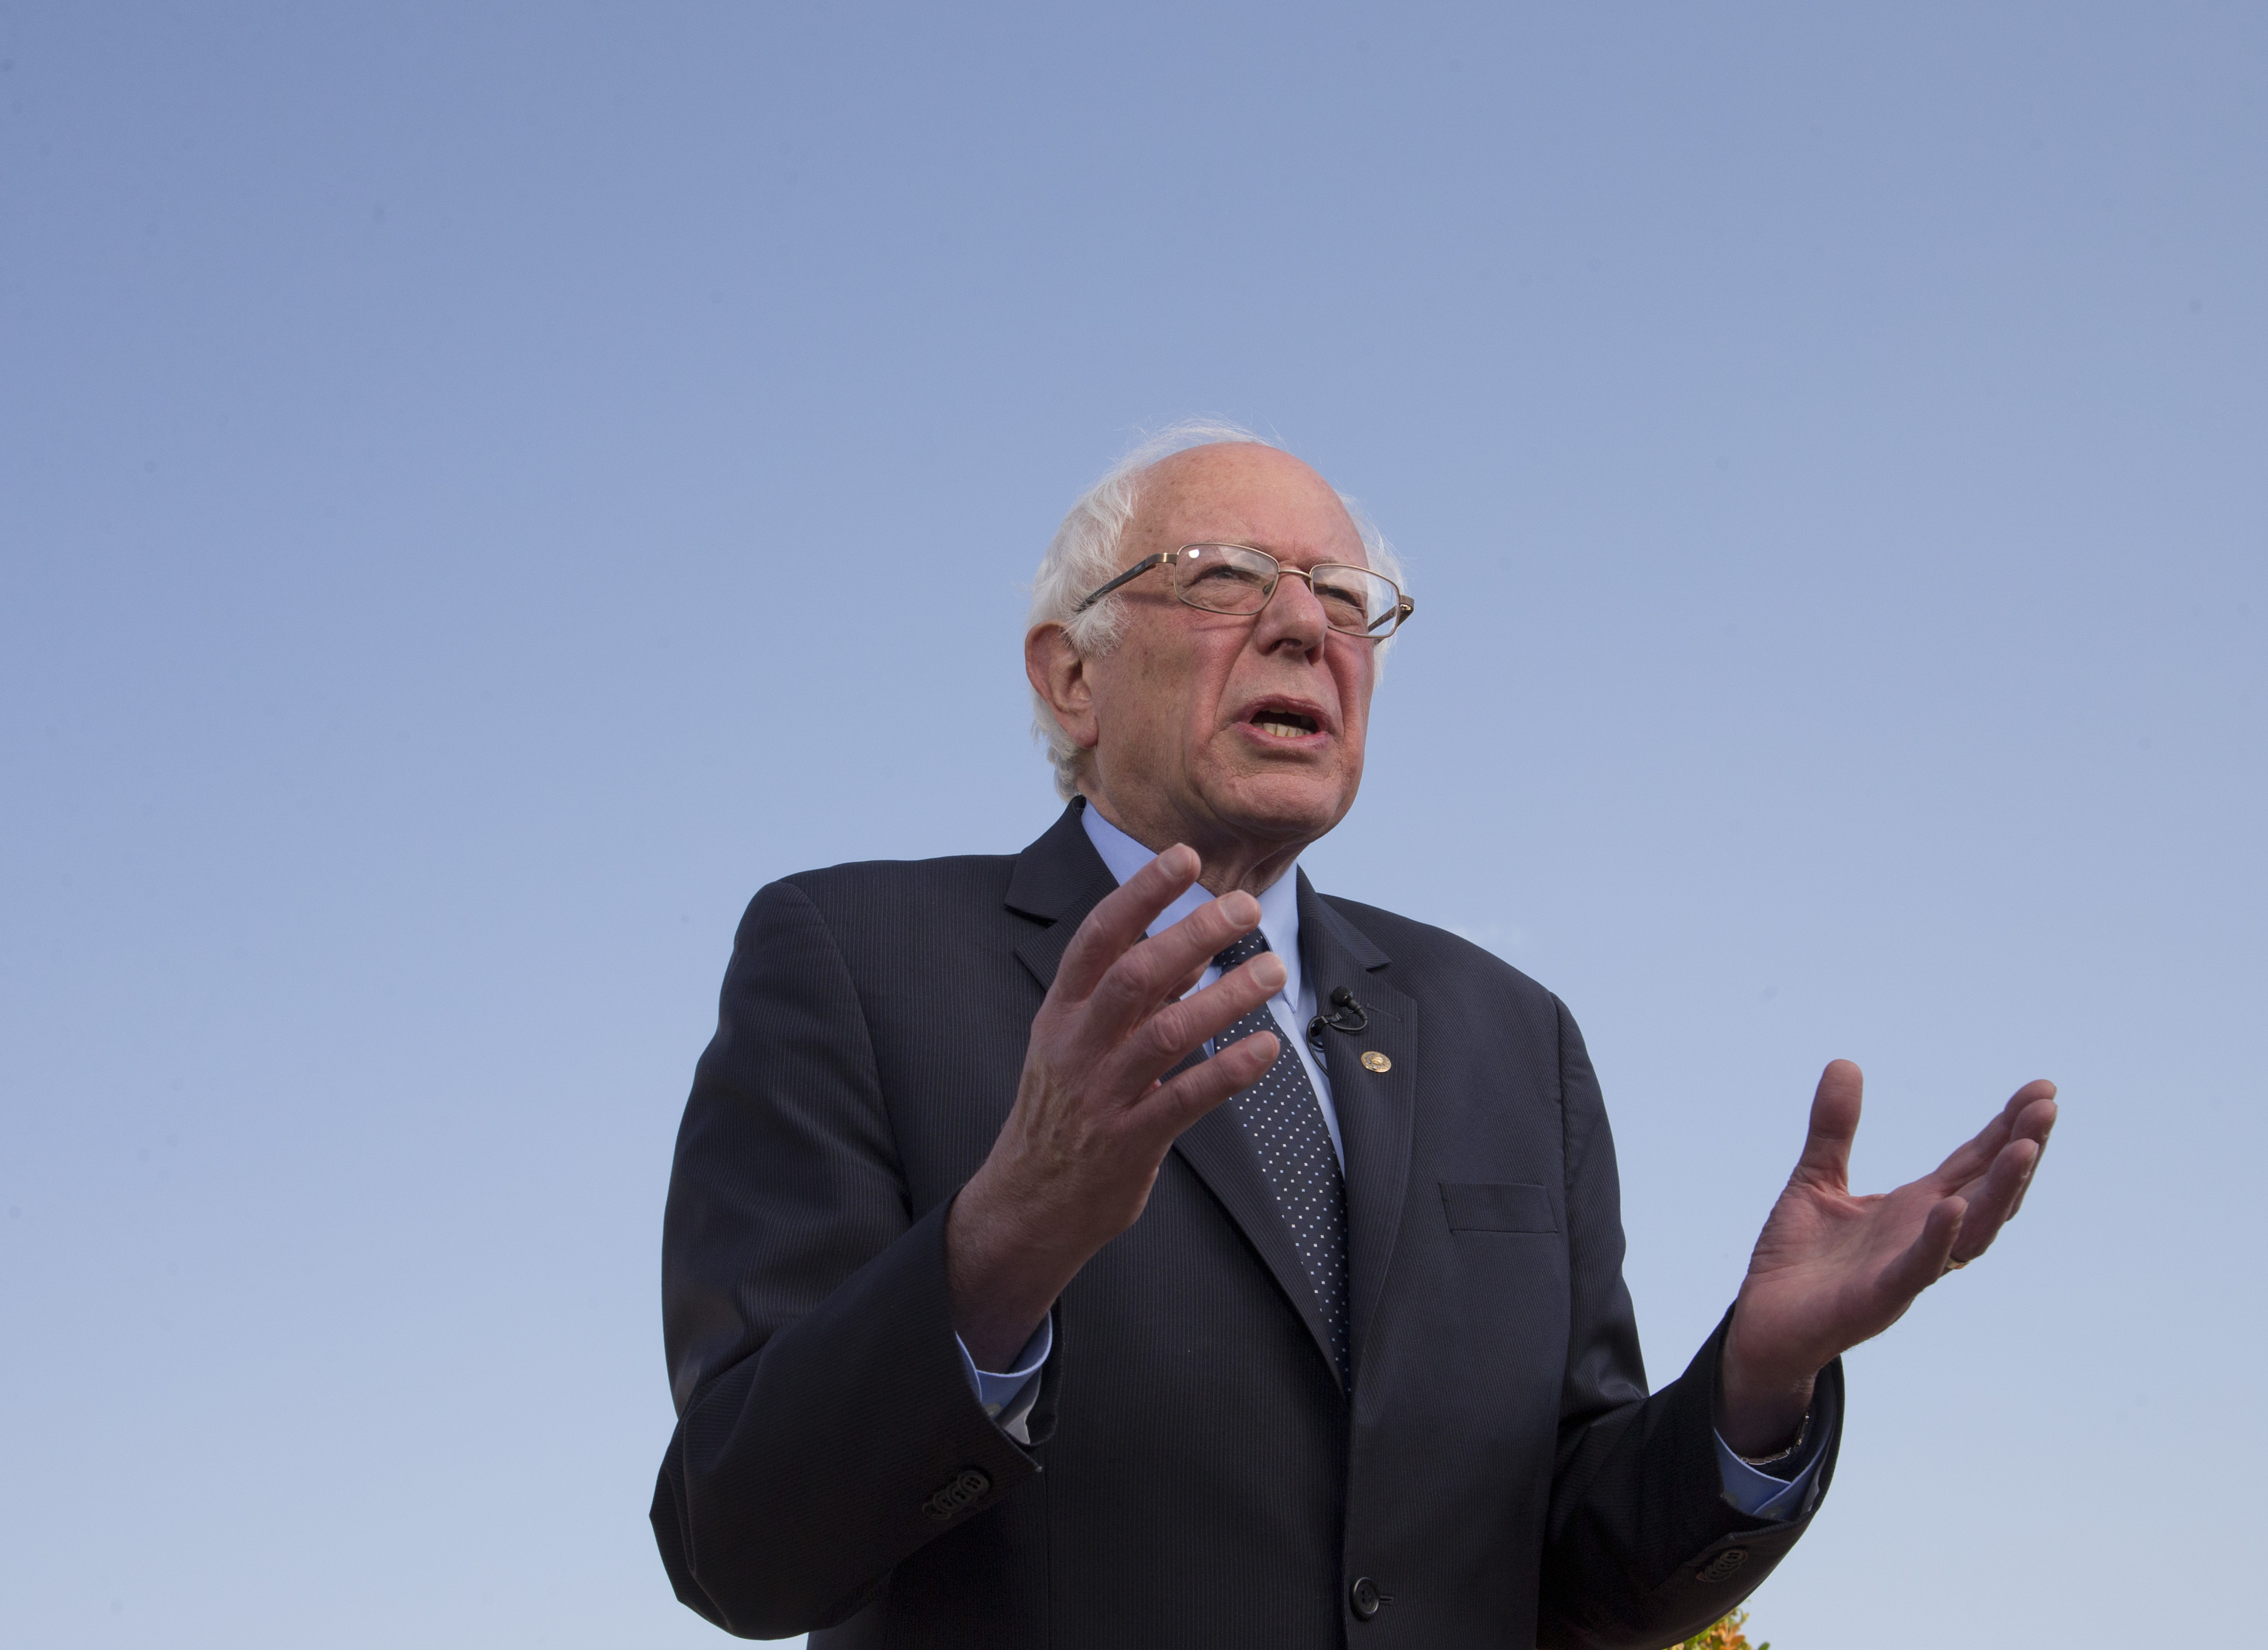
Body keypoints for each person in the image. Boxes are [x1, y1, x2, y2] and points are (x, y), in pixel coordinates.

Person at [653, 424, 2056, 1648]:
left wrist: (1757, 1384)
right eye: (1220, 578)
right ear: (1070, 678)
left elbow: (1582, 1578)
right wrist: (1002, 1243)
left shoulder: (1517, 1041)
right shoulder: (849, 961)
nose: (1304, 626)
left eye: (1344, 597)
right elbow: (737, 1543)